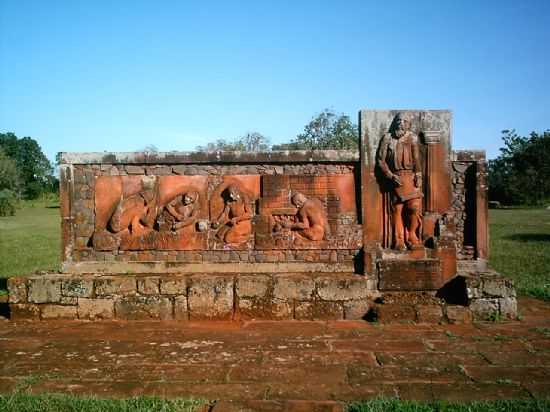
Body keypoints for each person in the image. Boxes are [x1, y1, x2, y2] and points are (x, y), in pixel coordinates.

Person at [376, 112, 423, 250]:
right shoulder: (387, 138)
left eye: (404, 121)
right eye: (398, 120)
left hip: (410, 177)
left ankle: (412, 234)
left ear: (408, 125)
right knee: (397, 210)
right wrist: (390, 175)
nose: (400, 123)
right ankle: (399, 240)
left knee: (414, 207)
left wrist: (418, 176)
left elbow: (416, 159)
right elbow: (380, 160)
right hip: (395, 178)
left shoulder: (412, 138)